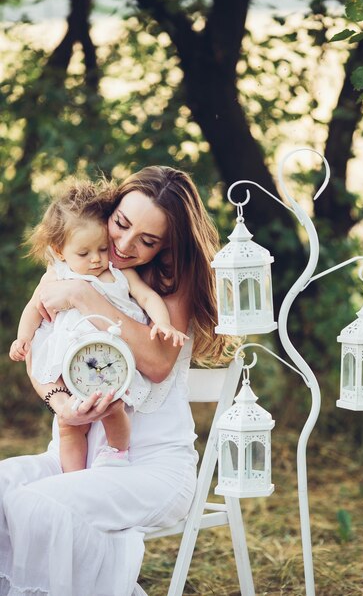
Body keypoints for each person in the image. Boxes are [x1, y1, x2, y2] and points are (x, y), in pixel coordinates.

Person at [0, 166, 232, 596]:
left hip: (153, 469)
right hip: (73, 457)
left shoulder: (170, 282)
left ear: (168, 245)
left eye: (147, 241)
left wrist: (86, 298)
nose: (124, 246)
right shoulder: (75, 260)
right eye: (121, 225)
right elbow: (41, 356)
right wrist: (61, 404)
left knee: (37, 505)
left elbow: (159, 363)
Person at [9, 179, 188, 472]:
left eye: (102, 249)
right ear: (60, 250)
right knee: (69, 425)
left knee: (113, 408)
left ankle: (116, 454)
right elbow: (34, 310)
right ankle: (73, 476)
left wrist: (163, 323)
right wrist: (23, 339)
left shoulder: (118, 272)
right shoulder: (57, 275)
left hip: (110, 363)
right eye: (85, 253)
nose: (97, 259)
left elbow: (147, 296)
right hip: (72, 366)